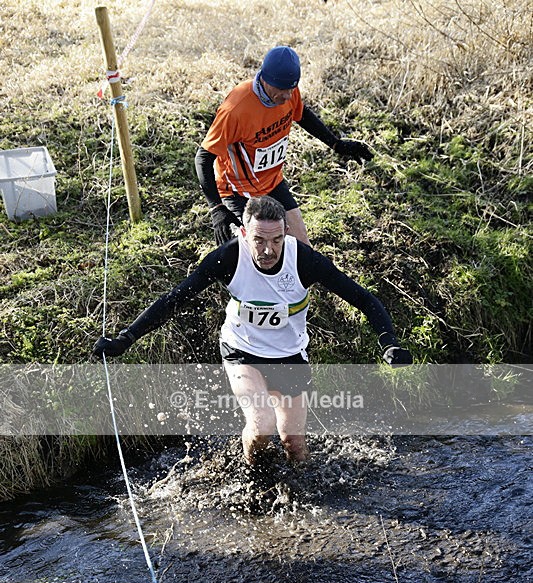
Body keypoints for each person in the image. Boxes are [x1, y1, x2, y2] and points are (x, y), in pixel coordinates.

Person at [93, 196, 412, 464]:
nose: (268, 251)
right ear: (245, 233)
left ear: (286, 233)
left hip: (289, 354)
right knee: (261, 426)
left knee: (294, 443)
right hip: (241, 350)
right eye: (259, 240)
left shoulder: (305, 261)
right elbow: (174, 299)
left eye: (275, 240)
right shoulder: (229, 257)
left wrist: (389, 343)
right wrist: (126, 338)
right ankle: (252, 478)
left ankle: (303, 493)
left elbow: (364, 299)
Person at [195, 45, 373, 247]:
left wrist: (336, 144)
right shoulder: (236, 109)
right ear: (265, 79)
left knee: (302, 248)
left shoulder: (289, 91)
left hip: (273, 182)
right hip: (239, 190)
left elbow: (302, 114)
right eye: (283, 90)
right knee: (257, 253)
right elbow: (203, 158)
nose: (288, 96)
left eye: (292, 89)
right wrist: (216, 208)